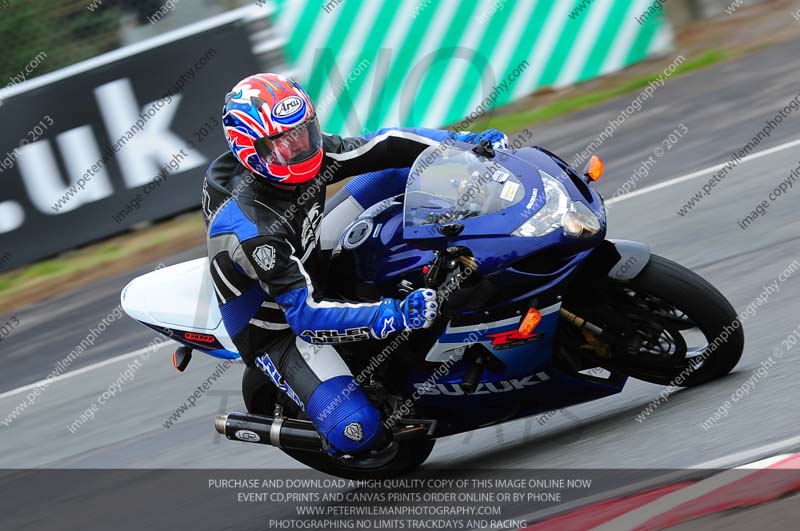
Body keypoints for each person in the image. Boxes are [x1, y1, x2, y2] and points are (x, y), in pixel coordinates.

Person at [202, 72, 507, 455]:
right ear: (251, 152)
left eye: (304, 132)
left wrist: (462, 143)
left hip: (306, 252)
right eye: (283, 143)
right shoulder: (252, 229)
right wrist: (396, 314)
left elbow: (385, 144)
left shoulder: (299, 154)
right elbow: (306, 317)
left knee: (398, 170)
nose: (300, 147)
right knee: (358, 432)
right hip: (278, 324)